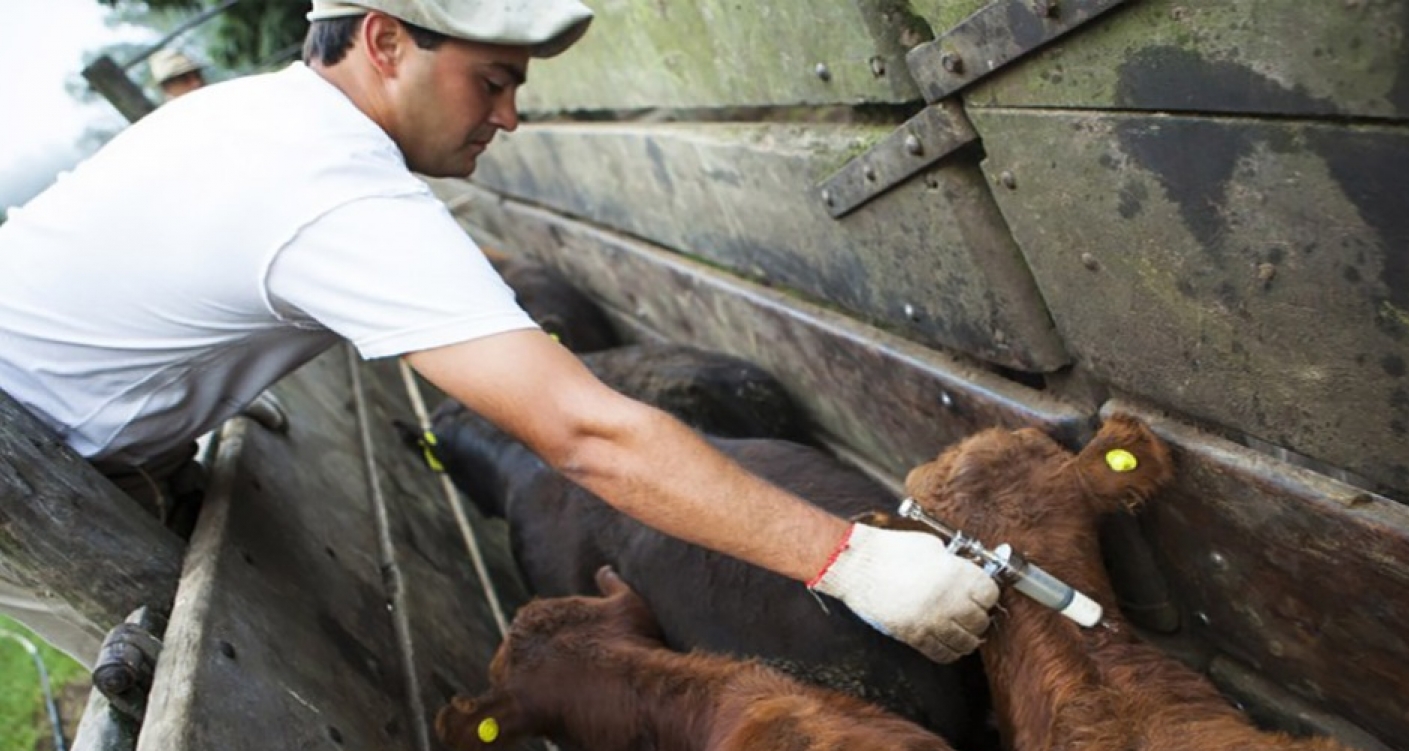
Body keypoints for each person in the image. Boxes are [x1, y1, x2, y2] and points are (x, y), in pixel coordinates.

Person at [0, 0, 1000, 668]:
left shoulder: (262, 119)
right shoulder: (328, 185)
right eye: (491, 81)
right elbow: (586, 436)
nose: (512, 116)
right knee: (153, 654)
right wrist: (852, 561)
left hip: (66, 423)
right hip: (32, 475)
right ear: (385, 42)